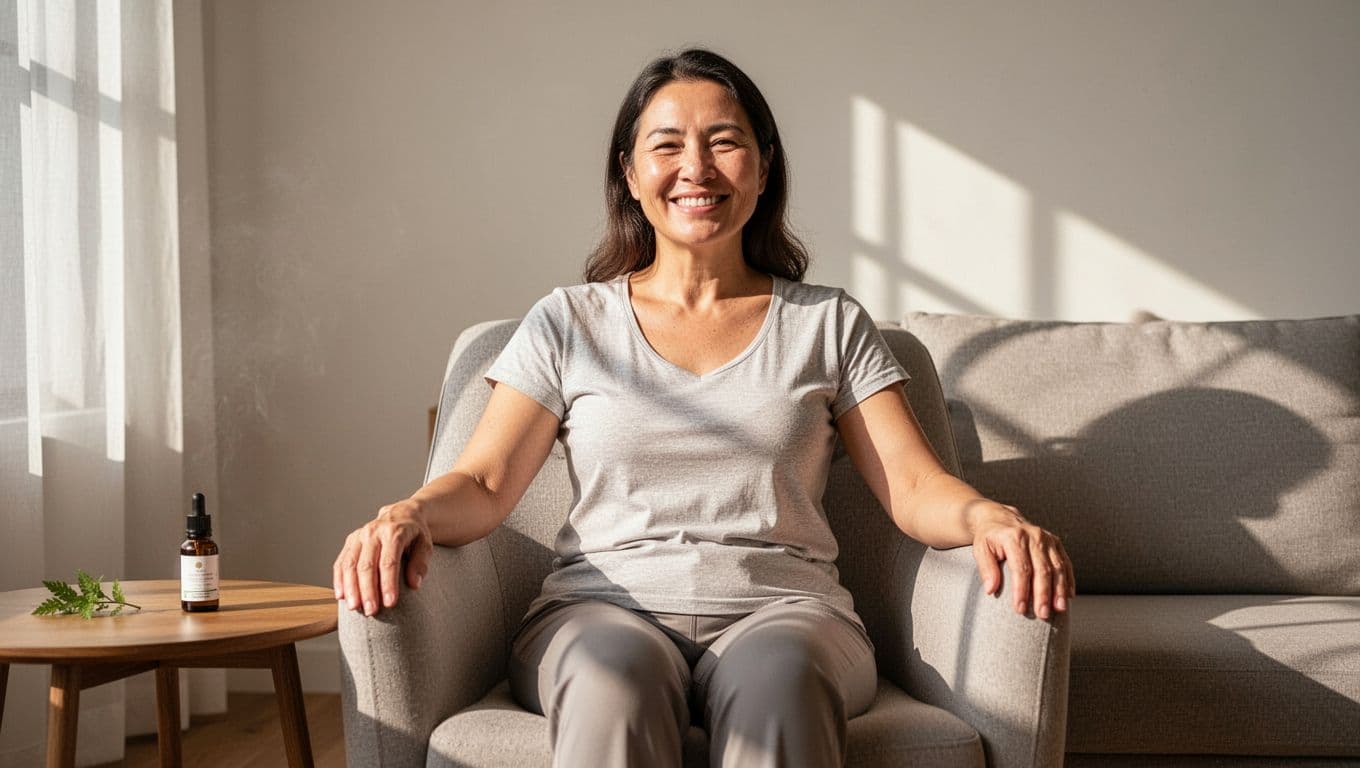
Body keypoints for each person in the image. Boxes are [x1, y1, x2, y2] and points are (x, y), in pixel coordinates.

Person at [333, 48, 1074, 768]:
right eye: (667, 146)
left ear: (765, 165)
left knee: (780, 684)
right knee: (611, 685)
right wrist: (412, 511)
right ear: (629, 173)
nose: (697, 168)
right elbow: (486, 483)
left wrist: (986, 516)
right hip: (597, 614)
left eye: (725, 142)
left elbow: (912, 485)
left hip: (789, 614)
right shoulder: (568, 322)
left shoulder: (828, 323)